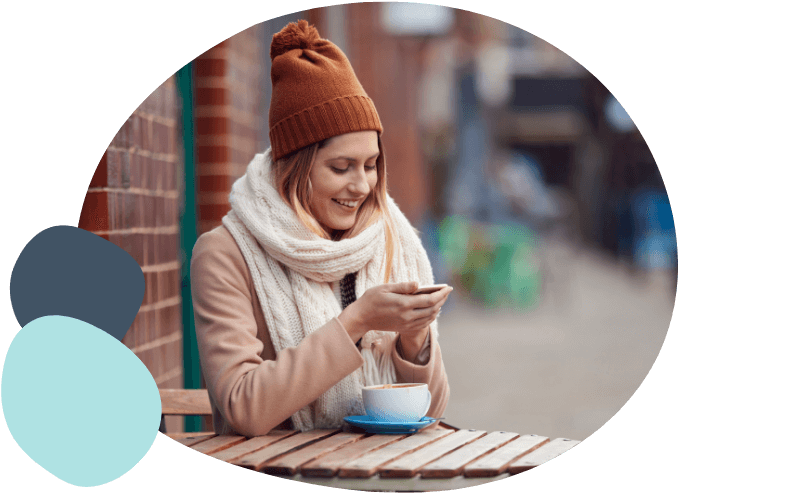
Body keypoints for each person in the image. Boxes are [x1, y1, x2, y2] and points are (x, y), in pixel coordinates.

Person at [190, 20, 452, 437]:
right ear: (293, 166)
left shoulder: (388, 239)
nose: (362, 186)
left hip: (382, 472)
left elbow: (431, 413)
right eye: (341, 167)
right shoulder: (225, 254)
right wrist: (356, 322)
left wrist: (413, 339)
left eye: (370, 165)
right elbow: (244, 406)